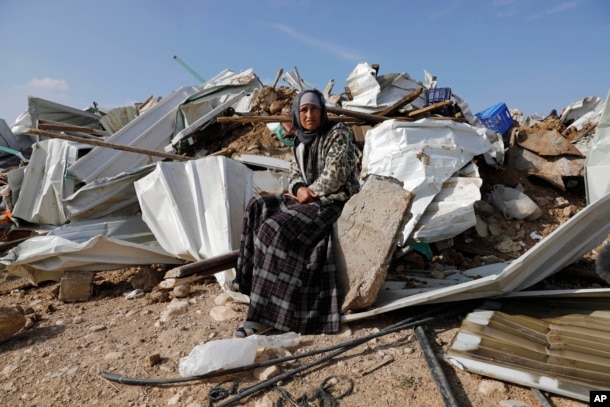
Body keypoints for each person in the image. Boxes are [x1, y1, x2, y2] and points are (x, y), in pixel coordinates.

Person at [232, 89, 361, 337]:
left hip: (333, 201)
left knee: (273, 229)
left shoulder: (338, 133)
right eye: (303, 110)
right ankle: (248, 281)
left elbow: (335, 177)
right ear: (297, 114)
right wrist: (299, 188)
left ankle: (263, 315)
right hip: (306, 198)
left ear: (322, 111)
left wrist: (307, 192)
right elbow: (293, 173)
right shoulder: (300, 139)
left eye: (314, 109)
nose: (309, 114)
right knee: (257, 206)